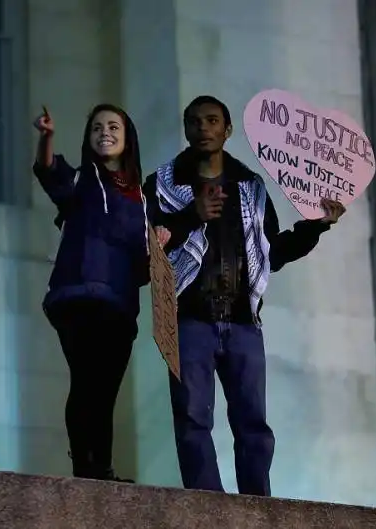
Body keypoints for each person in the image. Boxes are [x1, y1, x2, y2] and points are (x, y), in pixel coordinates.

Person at [143, 95, 346, 496]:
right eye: (195, 121)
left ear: (227, 129)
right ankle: (207, 504)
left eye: (212, 120)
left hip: (242, 322)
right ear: (185, 129)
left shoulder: (250, 186)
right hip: (189, 319)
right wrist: (191, 215)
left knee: (253, 422)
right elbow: (148, 246)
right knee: (192, 418)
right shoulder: (163, 184)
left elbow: (273, 252)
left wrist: (317, 225)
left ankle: (258, 504)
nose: (203, 128)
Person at [33, 104, 155, 482]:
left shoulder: (144, 199)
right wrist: (47, 137)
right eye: (97, 127)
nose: (105, 132)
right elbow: (50, 172)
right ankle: (86, 466)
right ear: (88, 138)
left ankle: (100, 466)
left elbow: (146, 262)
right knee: (86, 379)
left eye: (113, 126)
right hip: (78, 296)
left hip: (120, 305)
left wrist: (160, 243)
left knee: (106, 389)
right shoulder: (82, 179)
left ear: (127, 136)